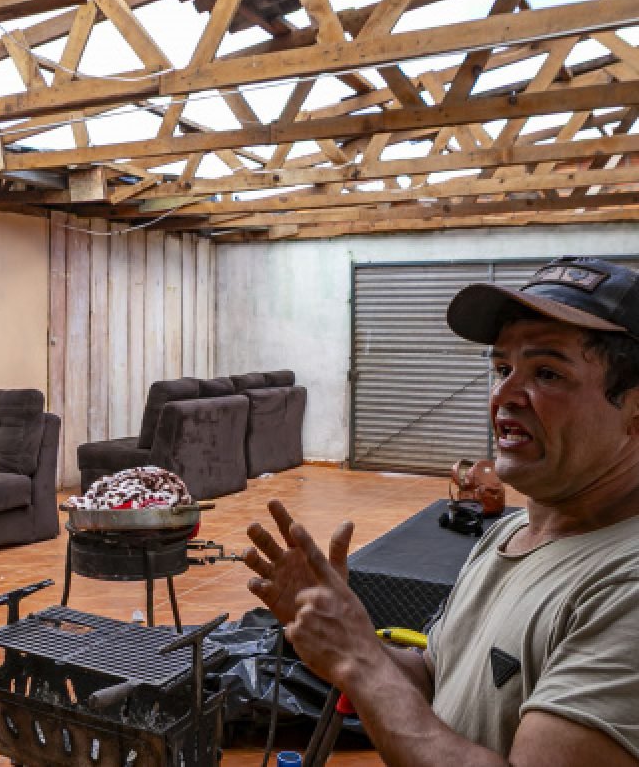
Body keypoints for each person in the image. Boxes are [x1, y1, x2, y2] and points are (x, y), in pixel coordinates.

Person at [243, 255, 639, 766]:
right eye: (501, 368)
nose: (504, 394)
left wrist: (361, 662)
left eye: (546, 373)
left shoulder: (625, 586)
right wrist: (348, 637)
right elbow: (435, 678)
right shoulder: (508, 535)